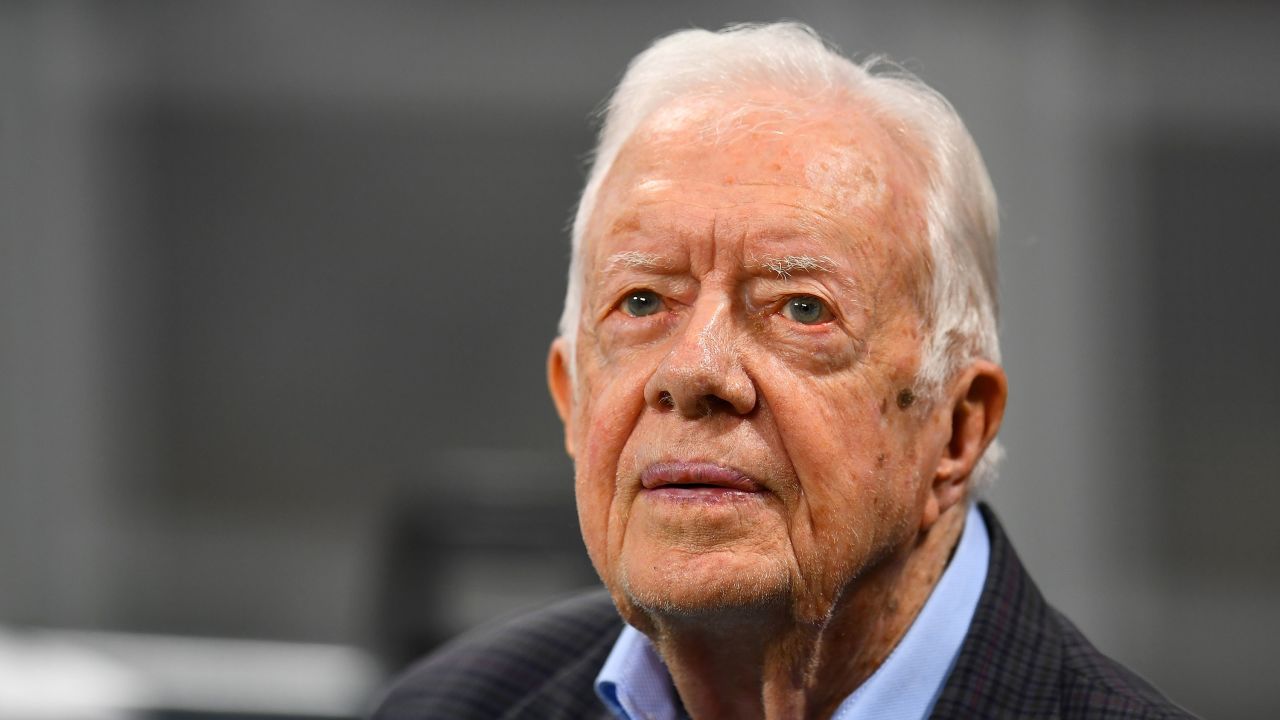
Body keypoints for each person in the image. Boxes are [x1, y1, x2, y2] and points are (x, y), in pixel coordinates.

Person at [371, 22, 1193, 720]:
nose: (694, 372)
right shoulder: (444, 706)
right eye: (644, 300)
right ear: (573, 403)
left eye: (801, 308)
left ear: (956, 426)